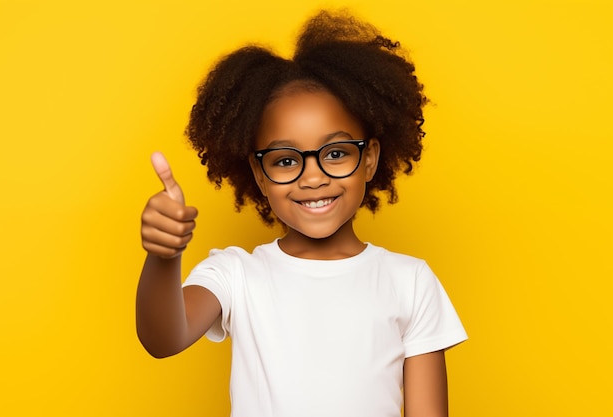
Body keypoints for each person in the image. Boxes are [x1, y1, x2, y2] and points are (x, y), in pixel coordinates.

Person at [136, 10, 467, 417]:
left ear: (369, 159)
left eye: (335, 153)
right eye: (286, 160)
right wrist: (163, 255)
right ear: (259, 173)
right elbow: (163, 337)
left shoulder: (411, 282)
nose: (313, 178)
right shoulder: (235, 275)